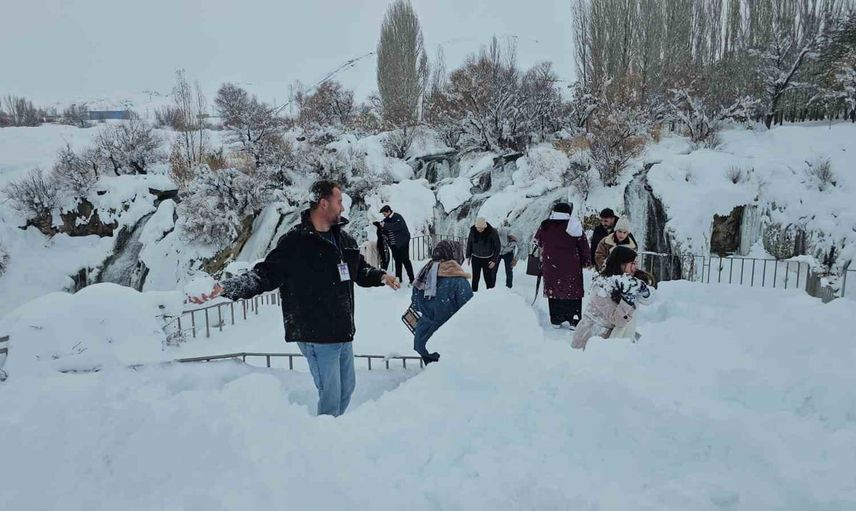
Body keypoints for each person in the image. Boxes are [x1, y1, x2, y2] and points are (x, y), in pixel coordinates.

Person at [187, 180, 400, 417]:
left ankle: (334, 431)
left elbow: (358, 269)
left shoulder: (344, 241)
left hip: (343, 331)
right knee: (331, 397)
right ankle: (325, 436)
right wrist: (226, 287)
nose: (342, 207)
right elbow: (265, 275)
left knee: (347, 389)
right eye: (339, 201)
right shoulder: (295, 243)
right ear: (323, 203)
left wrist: (381, 276)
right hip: (316, 333)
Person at [572, 246, 654, 350]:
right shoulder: (601, 287)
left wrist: (645, 292)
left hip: (617, 333)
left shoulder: (629, 279)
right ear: (621, 264)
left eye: (636, 263)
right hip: (593, 338)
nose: (635, 267)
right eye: (632, 263)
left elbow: (649, 300)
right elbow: (618, 320)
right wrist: (627, 299)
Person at [410, 240, 474, 364]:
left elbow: (415, 304)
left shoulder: (423, 276)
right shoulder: (459, 282)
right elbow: (469, 313)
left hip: (422, 339)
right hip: (446, 345)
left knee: (433, 372)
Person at [533, 203, 591, 327]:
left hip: (550, 265)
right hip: (571, 266)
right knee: (572, 291)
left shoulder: (545, 225)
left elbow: (538, 241)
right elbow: (584, 246)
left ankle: (556, 319)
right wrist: (586, 261)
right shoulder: (573, 225)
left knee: (554, 291)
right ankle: (573, 319)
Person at [379, 205, 414, 285]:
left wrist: (385, 225)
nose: (384, 216)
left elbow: (396, 227)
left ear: (388, 211)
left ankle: (412, 280)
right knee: (397, 261)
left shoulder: (398, 217)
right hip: (393, 245)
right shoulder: (385, 220)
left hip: (403, 243)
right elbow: (383, 230)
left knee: (406, 260)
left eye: (384, 214)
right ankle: (398, 279)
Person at [465, 217, 501, 291]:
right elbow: (469, 243)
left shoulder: (492, 232)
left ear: (485, 226)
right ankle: (474, 294)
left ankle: (490, 294)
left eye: (482, 228)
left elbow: (498, 246)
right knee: (475, 278)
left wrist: (494, 260)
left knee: (488, 279)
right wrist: (468, 256)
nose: (480, 230)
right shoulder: (473, 231)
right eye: (478, 228)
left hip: (487, 259)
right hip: (475, 258)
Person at [496, 223, 519, 288]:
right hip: (498, 251)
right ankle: (491, 285)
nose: (514, 239)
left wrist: (516, 259)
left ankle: (509, 286)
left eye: (515, 239)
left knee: (509, 270)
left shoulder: (519, 238)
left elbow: (522, 248)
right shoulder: (502, 232)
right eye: (512, 237)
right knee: (493, 269)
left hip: (508, 253)